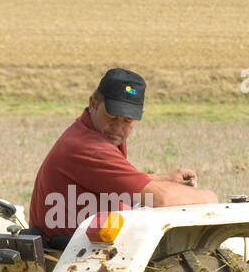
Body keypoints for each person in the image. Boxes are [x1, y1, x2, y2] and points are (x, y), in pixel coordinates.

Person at [29, 68, 217, 243]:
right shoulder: (89, 146)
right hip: (69, 251)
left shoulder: (89, 133)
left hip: (83, 241)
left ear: (139, 115)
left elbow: (113, 181)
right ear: (93, 103)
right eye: (112, 117)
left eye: (127, 120)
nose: (118, 128)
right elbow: (162, 200)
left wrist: (166, 178)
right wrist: (211, 198)